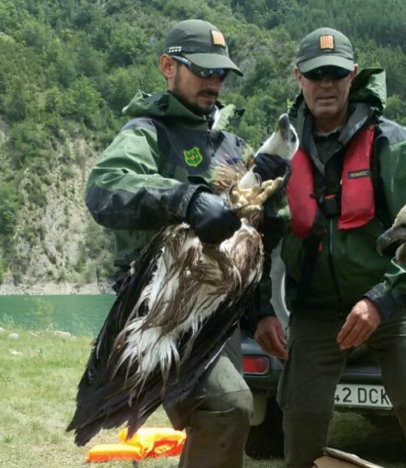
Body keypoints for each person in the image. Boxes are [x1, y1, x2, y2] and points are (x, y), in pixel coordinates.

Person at [253, 27, 406, 467]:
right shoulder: (278, 150)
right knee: (300, 428)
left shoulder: (391, 140)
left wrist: (380, 301)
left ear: (352, 75)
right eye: (315, 75)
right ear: (298, 77)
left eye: (335, 74)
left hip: (390, 306)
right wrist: (262, 309)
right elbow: (258, 237)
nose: (325, 84)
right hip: (316, 311)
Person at [85, 19, 259, 468]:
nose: (213, 81)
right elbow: (105, 188)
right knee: (228, 406)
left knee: (227, 428)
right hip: (163, 307)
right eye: (202, 70)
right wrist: (186, 197)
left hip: (221, 308)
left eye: (220, 73)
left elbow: (247, 238)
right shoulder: (147, 133)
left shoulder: (230, 144)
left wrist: (264, 314)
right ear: (168, 66)